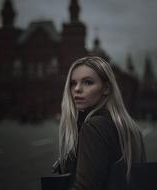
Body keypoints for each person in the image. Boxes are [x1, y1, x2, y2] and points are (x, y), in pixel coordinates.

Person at [55, 56, 146, 189]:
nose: (77, 89)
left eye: (88, 82)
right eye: (73, 83)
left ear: (106, 88)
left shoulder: (94, 127)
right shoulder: (127, 126)